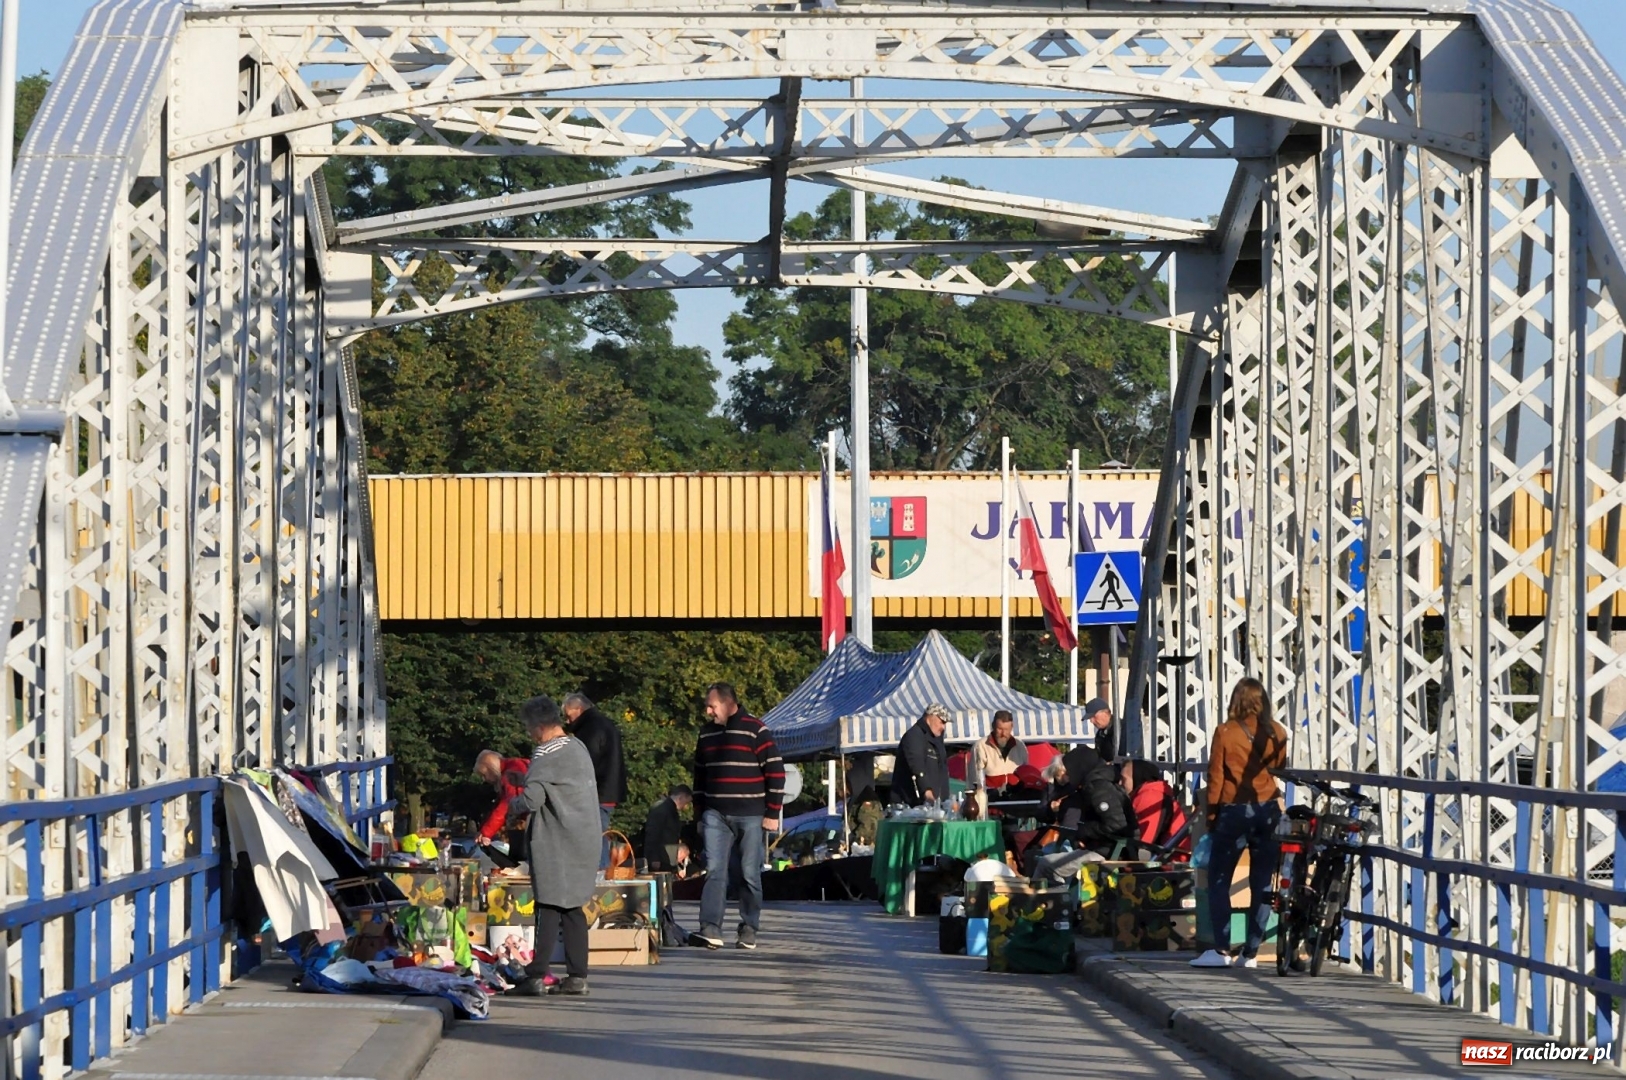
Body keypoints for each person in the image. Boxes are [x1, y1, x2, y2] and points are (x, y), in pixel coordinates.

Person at [503, 695, 603, 997]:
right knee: (572, 907)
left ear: (538, 726)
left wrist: (512, 805)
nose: (528, 733)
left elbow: (532, 799)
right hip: (586, 837)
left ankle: (536, 976)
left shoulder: (545, 753)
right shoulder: (577, 746)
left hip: (557, 841)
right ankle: (577, 977)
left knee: (547, 905)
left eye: (528, 727)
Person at [1192, 677, 1288, 970]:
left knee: (1221, 878)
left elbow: (1216, 778)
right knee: (1262, 882)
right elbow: (1279, 769)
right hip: (1268, 809)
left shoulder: (1225, 732)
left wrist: (1211, 818)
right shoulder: (1278, 731)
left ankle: (1221, 949)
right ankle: (1251, 952)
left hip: (1234, 812)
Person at [691, 682, 785, 951]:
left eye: (712, 705)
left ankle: (748, 927)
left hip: (751, 814)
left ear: (729, 703)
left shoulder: (756, 730)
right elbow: (699, 776)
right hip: (715, 814)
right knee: (715, 871)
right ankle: (710, 928)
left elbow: (776, 772)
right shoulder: (706, 734)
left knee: (748, 873)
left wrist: (772, 812)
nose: (709, 711)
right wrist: (699, 813)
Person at [562, 693, 628, 866]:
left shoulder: (590, 729)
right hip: (607, 790)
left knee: (594, 839)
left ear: (579, 709)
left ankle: (599, 877)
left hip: (596, 792)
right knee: (598, 836)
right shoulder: (604, 724)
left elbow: (584, 763)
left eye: (569, 716)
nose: (568, 721)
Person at [1121, 759, 1190, 859]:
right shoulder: (1150, 792)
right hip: (1166, 854)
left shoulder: (1150, 796)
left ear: (1137, 776)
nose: (1119, 783)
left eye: (1123, 779)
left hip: (1170, 859)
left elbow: (1143, 840)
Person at [893, 703, 951, 807]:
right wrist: (927, 792)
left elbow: (942, 769)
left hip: (935, 805)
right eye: (942, 722)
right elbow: (917, 766)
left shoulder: (937, 740)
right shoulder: (914, 736)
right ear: (931, 717)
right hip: (911, 805)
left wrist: (946, 800)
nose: (943, 727)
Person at [472, 749, 530, 850]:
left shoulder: (512, 771)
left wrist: (486, 832)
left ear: (491, 769)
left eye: (484, 775)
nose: (484, 780)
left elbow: (507, 804)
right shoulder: (517, 766)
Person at [643, 784, 693, 874]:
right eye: (686, 803)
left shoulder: (670, 810)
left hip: (668, 858)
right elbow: (653, 833)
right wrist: (654, 858)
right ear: (681, 797)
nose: (685, 807)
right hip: (661, 859)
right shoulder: (661, 809)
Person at [973, 709, 1028, 784]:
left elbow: (1026, 772)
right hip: (991, 794)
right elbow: (975, 777)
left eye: (1006, 729)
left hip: (1015, 794)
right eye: (1000, 729)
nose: (1003, 733)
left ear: (1012, 727)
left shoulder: (1019, 745)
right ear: (993, 726)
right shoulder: (981, 746)